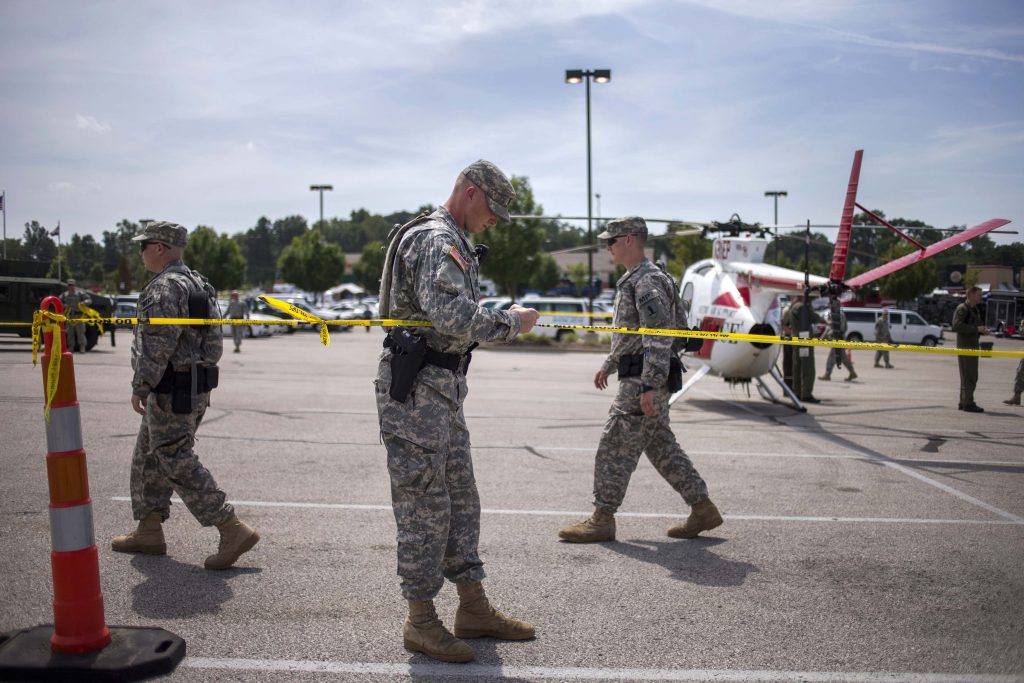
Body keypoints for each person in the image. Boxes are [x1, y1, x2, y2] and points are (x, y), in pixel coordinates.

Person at [375, 160, 541, 663]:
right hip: (419, 391)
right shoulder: (434, 238)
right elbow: (448, 314)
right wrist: (509, 322)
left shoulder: (454, 240)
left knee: (462, 502)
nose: (494, 220)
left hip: (443, 389)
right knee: (425, 508)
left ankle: (472, 607)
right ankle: (421, 622)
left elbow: (444, 317)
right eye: (492, 210)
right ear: (470, 193)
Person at [558, 216, 722, 546]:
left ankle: (602, 518)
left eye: (612, 241)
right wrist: (610, 362)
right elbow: (631, 335)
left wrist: (648, 385)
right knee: (661, 446)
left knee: (613, 444)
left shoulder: (646, 281)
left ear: (630, 239)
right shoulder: (636, 279)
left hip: (642, 379)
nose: (608, 247)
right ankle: (702, 508)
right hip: (640, 374)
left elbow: (657, 336)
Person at [111, 221, 260, 570]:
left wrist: (141, 384)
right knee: (150, 454)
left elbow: (158, 345)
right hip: (191, 386)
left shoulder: (165, 287)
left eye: (143, 245)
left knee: (173, 455)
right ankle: (148, 529)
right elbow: (214, 342)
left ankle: (230, 526)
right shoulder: (198, 283)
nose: (140, 252)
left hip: (170, 388)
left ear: (160, 247)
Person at [782, 289, 825, 403]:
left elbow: (786, 323)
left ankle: (796, 392)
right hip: (805, 340)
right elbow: (814, 318)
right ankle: (806, 394)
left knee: (797, 367)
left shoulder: (792, 307)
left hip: (795, 338)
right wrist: (825, 320)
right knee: (808, 367)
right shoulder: (802, 307)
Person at [951, 286, 988, 413]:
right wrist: (976, 329)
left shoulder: (974, 310)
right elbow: (956, 325)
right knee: (969, 376)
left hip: (972, 345)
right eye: (978, 294)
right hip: (966, 347)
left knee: (970, 375)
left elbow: (973, 325)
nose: (980, 297)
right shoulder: (963, 309)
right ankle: (968, 403)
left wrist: (981, 330)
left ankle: (964, 401)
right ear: (971, 294)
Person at [819, 309, 857, 382]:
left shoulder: (837, 314)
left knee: (831, 357)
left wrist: (827, 335)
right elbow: (840, 327)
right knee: (843, 358)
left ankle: (827, 374)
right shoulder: (839, 313)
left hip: (837, 339)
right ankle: (852, 372)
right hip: (840, 338)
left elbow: (836, 327)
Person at [59, 279, 92, 353]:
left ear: (75, 285)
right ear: (68, 286)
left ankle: (82, 347)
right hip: (69, 316)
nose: (71, 287)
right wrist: (63, 305)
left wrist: (83, 302)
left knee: (80, 332)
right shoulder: (65, 295)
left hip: (78, 316)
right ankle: (71, 347)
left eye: (72, 285)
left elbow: (89, 300)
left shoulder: (80, 293)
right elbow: (58, 301)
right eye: (69, 285)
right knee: (70, 333)